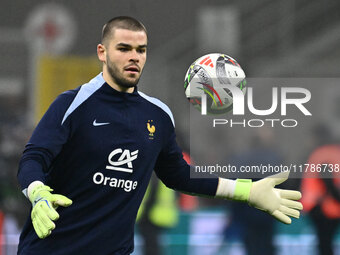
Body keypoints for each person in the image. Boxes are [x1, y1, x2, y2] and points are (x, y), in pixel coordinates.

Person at [17, 16, 303, 255]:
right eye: (124, 48)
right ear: (102, 52)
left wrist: (246, 191)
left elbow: (179, 175)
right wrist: (37, 193)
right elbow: (34, 158)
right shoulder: (73, 104)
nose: (134, 57)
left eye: (141, 50)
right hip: (51, 250)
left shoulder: (158, 115)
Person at [301, 124, 340, 255]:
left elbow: (327, 180)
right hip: (329, 207)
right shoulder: (334, 152)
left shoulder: (321, 153)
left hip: (323, 207)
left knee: (324, 244)